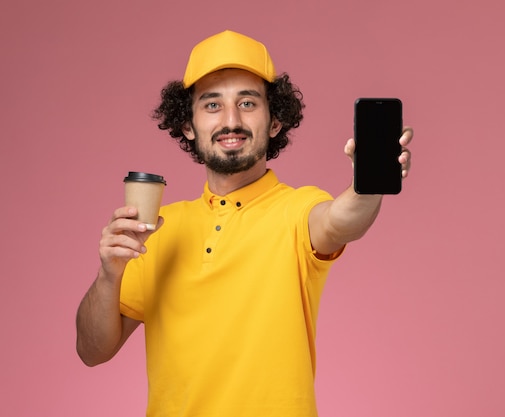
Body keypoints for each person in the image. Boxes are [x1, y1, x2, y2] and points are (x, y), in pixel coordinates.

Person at [76, 30, 413, 417]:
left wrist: (368, 186)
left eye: (248, 102)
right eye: (212, 105)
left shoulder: (297, 209)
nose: (231, 121)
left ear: (274, 122)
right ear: (188, 125)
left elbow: (340, 220)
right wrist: (109, 273)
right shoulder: (158, 227)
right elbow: (92, 350)